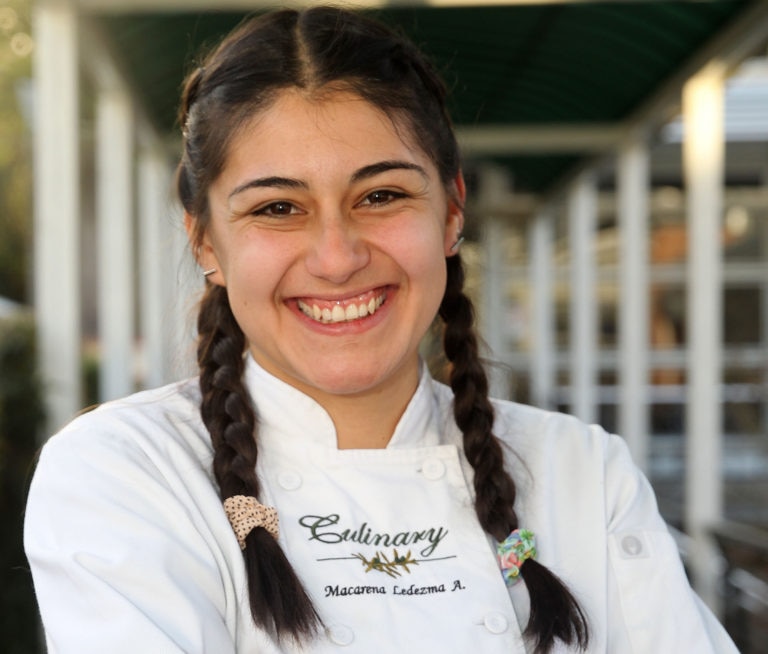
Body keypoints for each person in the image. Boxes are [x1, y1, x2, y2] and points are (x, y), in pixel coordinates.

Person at [25, 6, 737, 653]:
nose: (337, 258)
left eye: (382, 195)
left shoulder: (581, 472)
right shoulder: (126, 471)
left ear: (452, 213)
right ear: (206, 241)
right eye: (277, 208)